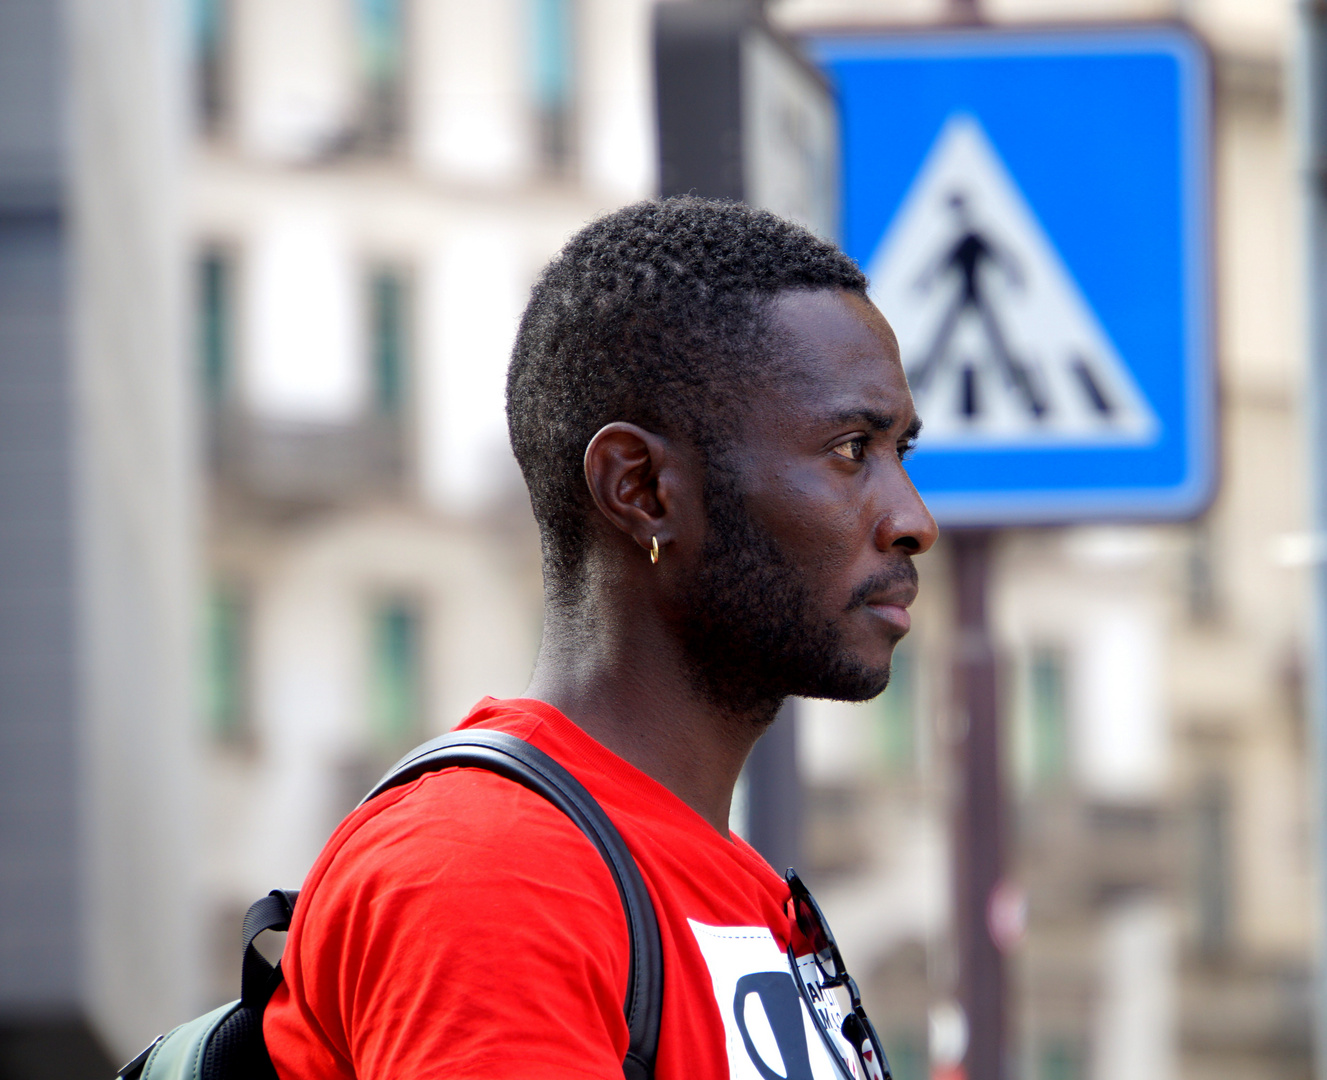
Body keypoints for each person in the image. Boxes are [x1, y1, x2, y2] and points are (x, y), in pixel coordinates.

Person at [263, 197, 938, 1080]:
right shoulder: (493, 870)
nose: (912, 520)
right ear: (641, 488)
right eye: (851, 449)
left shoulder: (720, 885)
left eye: (903, 455)